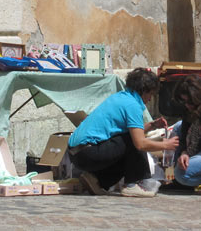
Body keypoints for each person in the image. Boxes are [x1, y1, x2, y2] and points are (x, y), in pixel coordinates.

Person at [67, 68, 179, 197]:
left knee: (127, 142)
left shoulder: (120, 97)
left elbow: (132, 130)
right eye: (151, 94)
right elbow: (140, 144)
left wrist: (153, 125)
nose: (150, 98)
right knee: (133, 141)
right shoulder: (133, 106)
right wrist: (166, 145)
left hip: (77, 153)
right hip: (88, 153)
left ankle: (97, 180)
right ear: (144, 90)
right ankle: (133, 185)